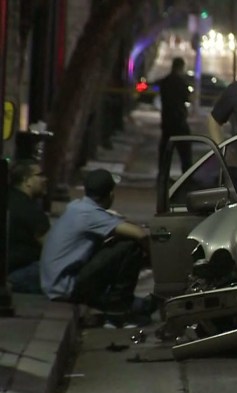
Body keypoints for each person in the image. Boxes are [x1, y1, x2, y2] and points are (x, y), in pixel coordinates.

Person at [40, 169, 156, 327]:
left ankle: (126, 305)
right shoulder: (91, 215)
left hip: (53, 283)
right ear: (110, 194)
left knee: (117, 241)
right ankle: (118, 312)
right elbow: (139, 234)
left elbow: (113, 223)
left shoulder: (76, 207)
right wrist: (153, 259)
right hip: (67, 286)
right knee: (130, 245)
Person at [7, 159, 50, 294]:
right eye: (40, 175)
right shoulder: (30, 210)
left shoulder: (8, 198)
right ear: (27, 181)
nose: (45, 179)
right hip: (18, 272)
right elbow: (52, 247)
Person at [158, 56, 192, 173]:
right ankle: (187, 176)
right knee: (185, 151)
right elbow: (187, 97)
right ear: (181, 67)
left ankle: (162, 174)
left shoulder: (165, 82)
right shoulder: (181, 82)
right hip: (179, 121)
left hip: (167, 120)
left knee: (165, 151)